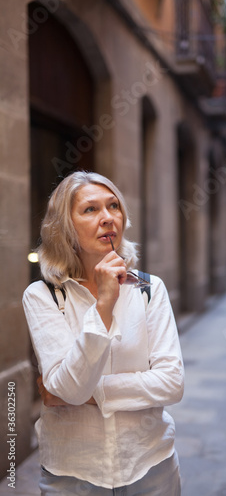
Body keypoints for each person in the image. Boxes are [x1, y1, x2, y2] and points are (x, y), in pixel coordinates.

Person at [22, 171, 184, 496]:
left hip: (151, 465)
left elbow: (172, 383)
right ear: (65, 227)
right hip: (72, 473)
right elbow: (69, 386)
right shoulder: (43, 296)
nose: (108, 218)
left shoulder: (149, 290)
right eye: (90, 210)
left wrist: (86, 396)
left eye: (114, 206)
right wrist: (104, 305)